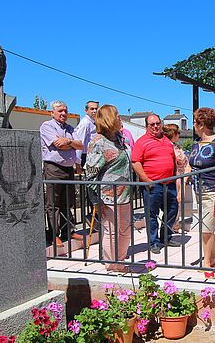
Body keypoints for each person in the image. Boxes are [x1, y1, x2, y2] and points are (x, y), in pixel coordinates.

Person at [85, 105, 133, 273]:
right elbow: (90, 174)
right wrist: (96, 201)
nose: (120, 118)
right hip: (107, 197)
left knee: (125, 230)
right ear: (109, 118)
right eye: (117, 115)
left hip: (125, 194)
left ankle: (120, 261)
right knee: (111, 232)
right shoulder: (98, 142)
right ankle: (112, 265)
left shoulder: (120, 139)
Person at [132, 113, 179, 254]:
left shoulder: (166, 140)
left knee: (172, 210)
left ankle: (166, 236)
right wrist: (146, 180)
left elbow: (172, 159)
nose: (156, 126)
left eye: (158, 123)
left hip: (169, 183)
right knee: (152, 214)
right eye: (152, 124)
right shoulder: (141, 142)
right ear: (147, 126)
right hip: (153, 185)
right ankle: (154, 242)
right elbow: (135, 162)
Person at [40, 100, 83, 244]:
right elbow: (58, 146)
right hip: (54, 168)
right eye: (60, 111)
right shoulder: (47, 126)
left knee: (67, 201)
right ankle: (54, 234)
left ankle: (68, 231)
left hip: (68, 168)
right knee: (53, 203)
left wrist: (68, 142)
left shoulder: (70, 128)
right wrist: (71, 144)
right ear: (52, 113)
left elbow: (80, 145)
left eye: (65, 111)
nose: (64, 113)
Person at [189, 108, 215, 278]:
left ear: (201, 124)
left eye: (195, 121)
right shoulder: (197, 143)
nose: (193, 125)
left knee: (207, 228)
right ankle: (214, 258)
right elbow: (190, 165)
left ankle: (207, 264)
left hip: (213, 191)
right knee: (208, 228)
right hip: (197, 191)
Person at [162, 123, 190, 233]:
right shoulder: (167, 147)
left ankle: (174, 226)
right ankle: (170, 228)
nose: (179, 135)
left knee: (177, 204)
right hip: (173, 179)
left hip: (180, 178)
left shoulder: (177, 147)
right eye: (178, 133)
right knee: (172, 206)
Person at [73, 100, 99, 167]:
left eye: (96, 109)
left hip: (91, 155)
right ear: (86, 111)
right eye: (92, 109)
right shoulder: (85, 123)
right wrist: (78, 163)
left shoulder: (94, 122)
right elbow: (79, 142)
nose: (94, 111)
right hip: (84, 156)